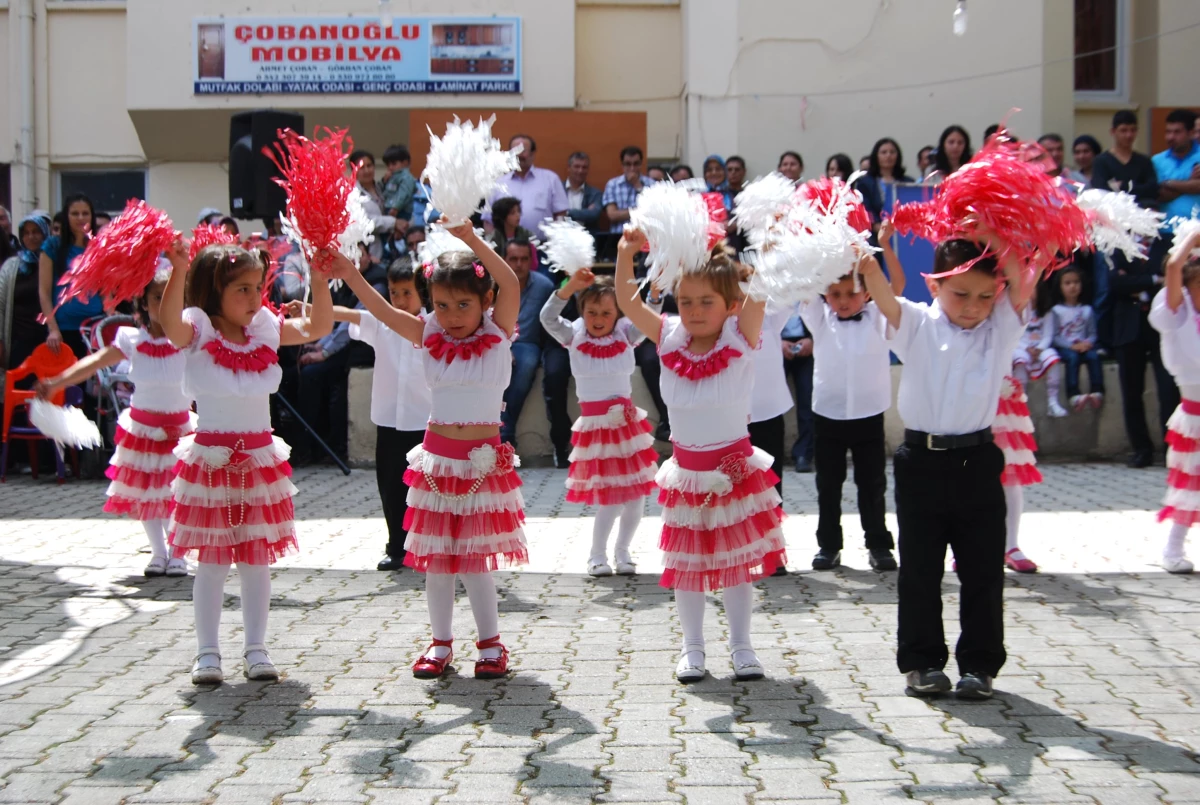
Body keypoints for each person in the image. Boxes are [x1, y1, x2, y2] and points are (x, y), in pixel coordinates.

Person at [333, 220, 528, 680]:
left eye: (464, 304)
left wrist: (471, 239)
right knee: (437, 563)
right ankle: (440, 643)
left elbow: (511, 281)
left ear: (486, 303)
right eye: (441, 305)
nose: (453, 314)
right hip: (438, 463)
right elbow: (381, 311)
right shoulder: (428, 335)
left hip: (481, 464)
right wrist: (349, 271)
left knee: (475, 562)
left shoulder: (499, 332)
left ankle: (491, 644)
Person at [865, 235, 1034, 701]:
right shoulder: (917, 323)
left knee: (982, 569)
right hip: (921, 462)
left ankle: (979, 666)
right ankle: (921, 663)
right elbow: (880, 293)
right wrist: (864, 256)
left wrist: (1000, 230)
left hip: (977, 461)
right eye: (960, 293)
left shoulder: (1000, 328)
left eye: (985, 296)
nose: (973, 306)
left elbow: (1022, 283)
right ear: (934, 284)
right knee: (919, 569)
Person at [159, 239, 334, 686]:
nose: (254, 297)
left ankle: (256, 648)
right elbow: (170, 327)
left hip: (258, 460)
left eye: (258, 287)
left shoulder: (265, 328)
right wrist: (178, 270)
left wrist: (318, 277)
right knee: (213, 563)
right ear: (212, 290)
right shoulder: (197, 329)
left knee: (256, 561)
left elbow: (318, 325)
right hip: (213, 461)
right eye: (242, 289)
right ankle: (207, 653)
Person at [615, 227, 785, 684]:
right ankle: (692, 648)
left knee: (735, 564)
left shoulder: (739, 336)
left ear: (730, 305)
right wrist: (626, 254)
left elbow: (760, 290)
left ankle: (742, 646)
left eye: (706, 301)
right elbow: (630, 305)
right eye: (686, 301)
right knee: (687, 567)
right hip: (687, 472)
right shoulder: (669, 335)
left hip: (733, 471)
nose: (693, 311)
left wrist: (765, 250)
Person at [37, 267, 194, 577]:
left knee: (178, 493)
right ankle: (159, 552)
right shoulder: (131, 338)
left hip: (181, 429)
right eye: (156, 298)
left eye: (170, 298)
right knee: (148, 491)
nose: (163, 305)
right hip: (143, 428)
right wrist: (57, 381)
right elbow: (96, 361)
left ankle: (178, 551)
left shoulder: (189, 338)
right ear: (144, 304)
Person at [801, 220, 905, 573]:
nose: (843, 301)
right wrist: (819, 249)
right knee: (828, 486)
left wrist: (882, 248)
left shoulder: (879, 317)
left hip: (868, 415)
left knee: (872, 484)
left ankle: (878, 544)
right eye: (835, 294)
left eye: (852, 293)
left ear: (867, 293)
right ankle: (829, 546)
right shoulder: (819, 318)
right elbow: (805, 286)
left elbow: (898, 287)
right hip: (827, 416)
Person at [540, 270, 657, 577]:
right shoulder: (573, 336)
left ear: (617, 313)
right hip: (596, 429)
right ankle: (596, 555)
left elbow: (649, 320)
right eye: (591, 312)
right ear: (582, 312)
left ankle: (622, 552)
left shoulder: (626, 335)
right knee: (611, 498)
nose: (598, 318)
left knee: (636, 497)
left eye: (606, 312)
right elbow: (547, 318)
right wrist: (568, 288)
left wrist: (654, 295)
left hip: (626, 428)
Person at [348, 258, 429, 572]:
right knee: (391, 486)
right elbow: (353, 314)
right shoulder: (382, 323)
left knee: (423, 489)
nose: (400, 300)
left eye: (407, 292)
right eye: (394, 293)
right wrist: (313, 312)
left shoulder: (433, 326)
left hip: (423, 420)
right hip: (389, 420)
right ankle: (396, 546)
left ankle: (423, 546)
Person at [1149, 227, 1200, 573]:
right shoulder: (1177, 314)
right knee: (1190, 484)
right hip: (1195, 413)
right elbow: (1172, 268)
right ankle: (1172, 549)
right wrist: (1191, 238)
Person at [496, 238, 566, 462]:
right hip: (497, 339)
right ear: (504, 260)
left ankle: (506, 431)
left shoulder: (544, 285)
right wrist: (503, 346)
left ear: (531, 260)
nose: (518, 264)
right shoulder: (493, 283)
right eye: (513, 259)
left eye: (524, 259)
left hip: (527, 343)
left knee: (526, 365)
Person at [39, 194, 102, 361]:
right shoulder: (53, 246)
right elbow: (44, 292)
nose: (80, 218)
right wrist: (53, 329)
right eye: (75, 213)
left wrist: (111, 315)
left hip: (96, 328)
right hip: (64, 330)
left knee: (96, 386)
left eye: (85, 213)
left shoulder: (98, 246)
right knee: (70, 386)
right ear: (66, 216)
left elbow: (105, 288)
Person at [992, 374, 1042, 574]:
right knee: (966, 474)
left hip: (998, 391)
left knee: (1009, 469)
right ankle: (962, 547)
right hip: (962, 393)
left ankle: (1011, 545)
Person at [484, 134, 568, 240]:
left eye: (523, 150)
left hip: (542, 248)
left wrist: (556, 243)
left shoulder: (550, 179)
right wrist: (493, 245)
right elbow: (488, 220)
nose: (518, 155)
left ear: (533, 154)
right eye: (515, 151)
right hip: (505, 251)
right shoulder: (498, 183)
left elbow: (560, 215)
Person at [0, 214, 50, 376]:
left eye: (36, 231)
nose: (31, 237)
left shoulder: (53, 262)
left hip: (48, 341)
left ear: (45, 233)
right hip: (18, 343)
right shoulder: (11, 266)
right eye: (26, 233)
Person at [1051, 266, 1104, 411]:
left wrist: (1088, 343)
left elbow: (1093, 333)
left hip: (1084, 346)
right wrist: (1070, 346)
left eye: (1076, 282)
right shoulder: (1056, 311)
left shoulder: (1087, 310)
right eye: (1067, 283)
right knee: (1072, 358)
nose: (1072, 286)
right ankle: (1073, 394)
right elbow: (1054, 336)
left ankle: (1097, 391)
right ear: (1060, 286)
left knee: (1094, 357)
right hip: (1066, 348)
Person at [1012, 281, 1067, 417]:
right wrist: (1026, 348)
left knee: (1053, 358)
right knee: (1019, 361)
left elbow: (1048, 334)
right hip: (1021, 348)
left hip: (1041, 348)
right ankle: (1021, 403)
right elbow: (1013, 335)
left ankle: (1053, 402)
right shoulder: (1016, 312)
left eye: (1031, 288)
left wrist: (1040, 348)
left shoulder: (1046, 312)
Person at [1154, 109, 1200, 227]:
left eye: (1177, 132)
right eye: (1168, 132)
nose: (1171, 137)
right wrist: (1190, 183)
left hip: (1196, 231)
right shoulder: (1157, 161)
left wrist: (1168, 183)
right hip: (1165, 230)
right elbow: (1159, 195)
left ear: (1190, 133)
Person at [350, 150, 398, 262]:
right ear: (354, 170)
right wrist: (393, 222)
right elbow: (362, 221)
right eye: (361, 167)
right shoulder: (352, 194)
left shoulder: (380, 188)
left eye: (369, 166)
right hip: (370, 254)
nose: (366, 171)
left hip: (389, 247)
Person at [781, 311, 814, 473]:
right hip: (775, 344)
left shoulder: (809, 287)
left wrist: (812, 339)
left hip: (807, 345)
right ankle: (770, 452)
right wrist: (775, 342)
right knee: (772, 402)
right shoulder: (769, 286)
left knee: (807, 399)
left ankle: (803, 454)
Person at [858, 138, 914, 226]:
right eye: (884, 152)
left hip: (903, 230)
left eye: (892, 152)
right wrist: (878, 227)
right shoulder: (865, 183)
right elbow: (866, 209)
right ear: (876, 156)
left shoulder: (908, 182)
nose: (888, 155)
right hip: (875, 231)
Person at [564, 151, 604, 234]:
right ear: (568, 167)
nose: (580, 171)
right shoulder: (557, 189)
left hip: (586, 240)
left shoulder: (595, 193)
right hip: (561, 238)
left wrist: (566, 212)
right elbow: (550, 213)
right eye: (577, 166)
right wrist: (585, 212)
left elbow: (593, 215)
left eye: (584, 167)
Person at [488, 197, 536, 261]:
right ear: (503, 216)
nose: (517, 215)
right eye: (512, 213)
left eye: (518, 211)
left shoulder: (527, 234)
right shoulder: (493, 237)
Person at [381, 143, 418, 223]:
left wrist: (396, 207)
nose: (390, 167)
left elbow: (404, 193)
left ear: (405, 163)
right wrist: (384, 181)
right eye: (388, 164)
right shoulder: (392, 176)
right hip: (390, 207)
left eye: (394, 164)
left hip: (401, 210)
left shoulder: (406, 177)